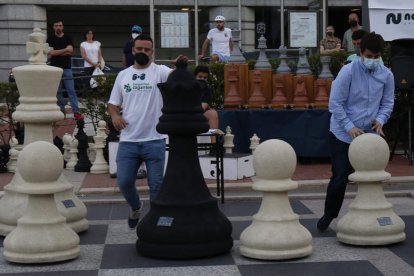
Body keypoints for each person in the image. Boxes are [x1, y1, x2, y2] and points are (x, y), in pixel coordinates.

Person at [317, 32, 394, 232]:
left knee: (373, 177)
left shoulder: (387, 74)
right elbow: (335, 103)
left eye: (376, 57)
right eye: (369, 57)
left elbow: (387, 103)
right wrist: (349, 127)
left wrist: (381, 119)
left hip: (370, 135)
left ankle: (372, 215)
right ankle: (329, 215)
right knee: (341, 176)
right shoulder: (348, 71)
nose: (372, 60)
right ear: (361, 52)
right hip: (343, 133)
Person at [108, 34, 186, 229]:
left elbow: (179, 77)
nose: (143, 52)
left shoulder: (160, 71)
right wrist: (115, 116)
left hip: (154, 139)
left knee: (156, 186)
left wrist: (180, 66)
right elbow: (112, 104)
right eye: (139, 49)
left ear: (152, 52)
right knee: (124, 182)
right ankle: (135, 206)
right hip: (128, 140)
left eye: (147, 50)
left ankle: (154, 222)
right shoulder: (123, 75)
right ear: (133, 50)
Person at [47, 20, 83, 121]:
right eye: (56, 26)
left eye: (60, 25)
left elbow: (70, 51)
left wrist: (57, 52)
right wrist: (65, 50)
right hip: (55, 69)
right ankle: (60, 112)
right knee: (58, 92)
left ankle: (76, 112)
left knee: (71, 91)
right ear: (53, 27)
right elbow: (51, 53)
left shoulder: (68, 38)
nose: (58, 27)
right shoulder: (50, 39)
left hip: (67, 68)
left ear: (63, 27)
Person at [194, 65, 219, 149]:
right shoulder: (188, 86)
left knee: (213, 114)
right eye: (200, 76)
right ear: (194, 76)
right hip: (187, 114)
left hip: (199, 113)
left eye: (205, 78)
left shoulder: (207, 89)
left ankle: (214, 145)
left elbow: (204, 105)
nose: (202, 79)